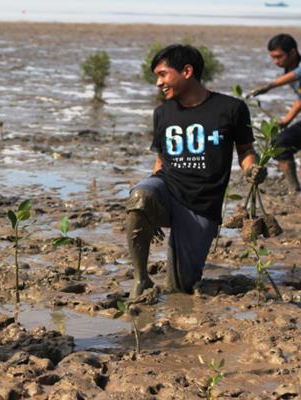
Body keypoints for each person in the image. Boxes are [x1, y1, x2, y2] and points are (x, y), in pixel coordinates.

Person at [127, 44, 266, 298]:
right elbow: (161, 159)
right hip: (167, 189)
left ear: (187, 71)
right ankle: (141, 280)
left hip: (202, 205)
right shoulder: (162, 113)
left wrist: (252, 170)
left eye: (162, 74)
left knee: (181, 288)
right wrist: (148, 208)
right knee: (140, 196)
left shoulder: (231, 108)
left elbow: (245, 151)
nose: (158, 82)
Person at [249, 33, 301, 193]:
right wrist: (286, 120)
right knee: (280, 143)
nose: (276, 62)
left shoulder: (295, 71)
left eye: (279, 57)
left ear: (292, 52)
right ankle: (295, 190)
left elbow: (296, 75)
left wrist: (268, 86)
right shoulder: (289, 69)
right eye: (273, 57)